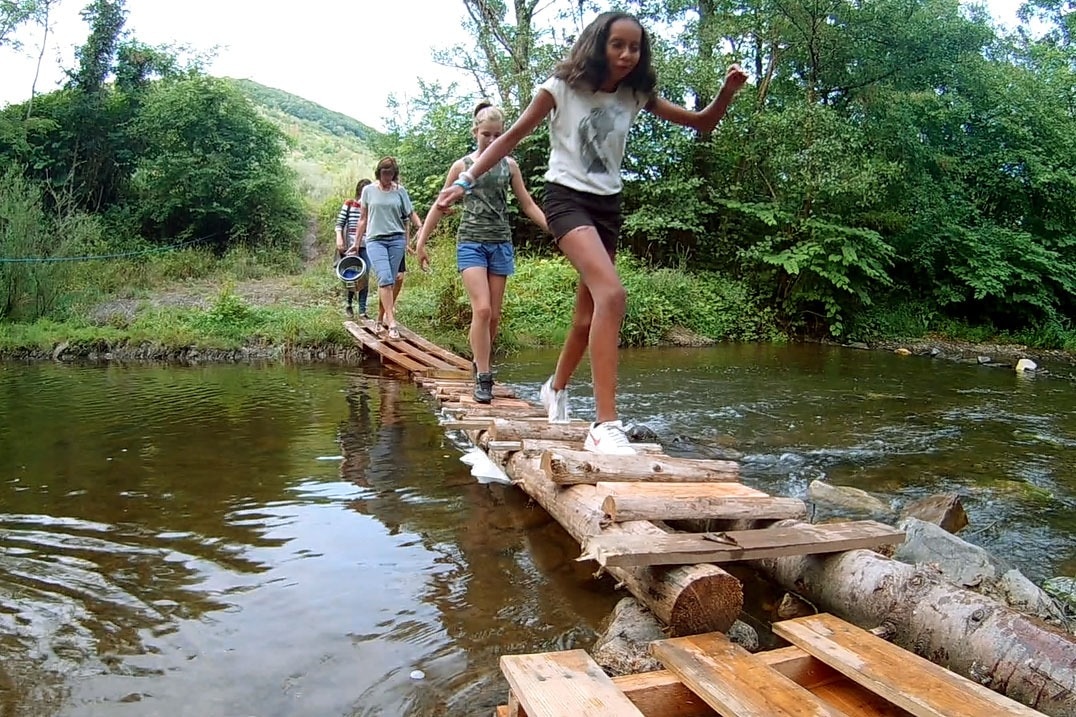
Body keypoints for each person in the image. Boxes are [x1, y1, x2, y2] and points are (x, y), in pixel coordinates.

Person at [435, 11, 748, 455]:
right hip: (566, 201)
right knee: (613, 295)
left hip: (608, 208)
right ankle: (605, 423)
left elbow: (702, 123)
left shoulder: (635, 94)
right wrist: (465, 182)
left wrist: (726, 94)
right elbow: (510, 139)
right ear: (598, 44)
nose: (625, 54)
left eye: (634, 47)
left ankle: (555, 388)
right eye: (617, 44)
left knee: (587, 317)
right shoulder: (560, 88)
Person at [415, 102, 548, 404]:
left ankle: (480, 359)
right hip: (471, 243)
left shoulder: (510, 166)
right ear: (475, 132)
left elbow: (527, 204)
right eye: (486, 134)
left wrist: (554, 228)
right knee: (483, 309)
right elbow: (440, 204)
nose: (491, 140)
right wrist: (422, 241)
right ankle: (484, 376)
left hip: (500, 243)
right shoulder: (462, 167)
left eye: (497, 135)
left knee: (494, 317)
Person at [348, 156, 422, 341]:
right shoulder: (368, 191)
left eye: (390, 173)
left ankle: (380, 318)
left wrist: (421, 228)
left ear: (394, 174)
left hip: (396, 240)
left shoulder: (400, 192)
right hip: (375, 240)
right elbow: (363, 218)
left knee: (391, 282)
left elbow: (410, 213)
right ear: (379, 172)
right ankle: (392, 323)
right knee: (385, 278)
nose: (387, 176)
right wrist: (356, 244)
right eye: (384, 173)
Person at [335, 178, 372, 318]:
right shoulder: (350, 204)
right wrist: (339, 239)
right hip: (351, 246)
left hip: (367, 245)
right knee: (350, 276)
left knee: (365, 275)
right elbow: (339, 224)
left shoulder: (372, 207)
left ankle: (362, 310)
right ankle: (349, 304)